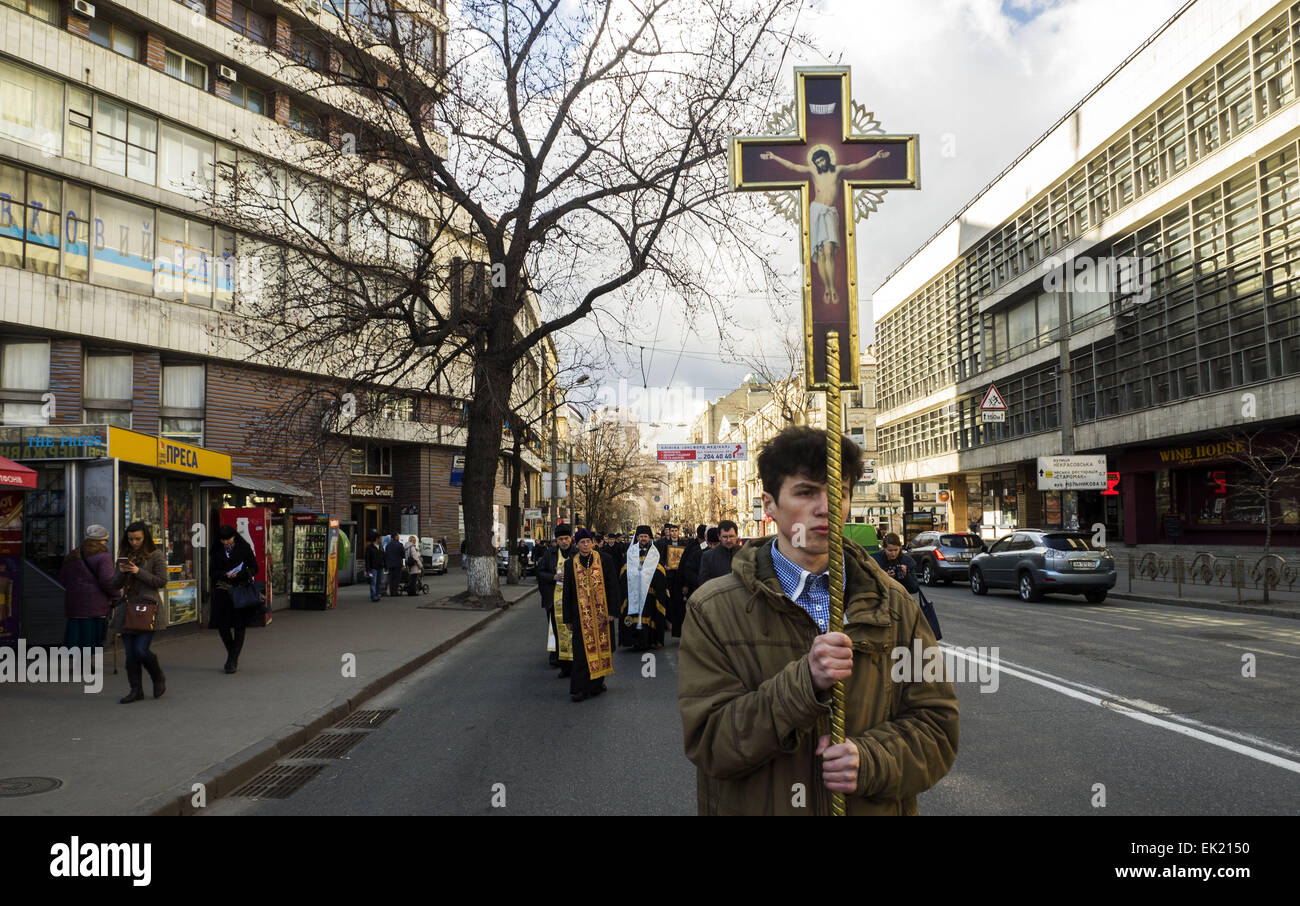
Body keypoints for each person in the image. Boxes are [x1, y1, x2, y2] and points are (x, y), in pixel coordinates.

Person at [678, 426, 958, 815]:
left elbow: (937, 728)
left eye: (837, 493)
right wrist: (803, 683)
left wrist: (871, 761)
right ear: (770, 505)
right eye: (807, 492)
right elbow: (712, 744)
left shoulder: (894, 606)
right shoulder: (713, 610)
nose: (825, 507)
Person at [759, 145, 890, 306]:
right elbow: (793, 166)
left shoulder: (838, 170)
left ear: (827, 159)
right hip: (816, 210)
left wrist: (876, 157)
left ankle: (832, 287)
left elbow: (857, 166)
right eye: (817, 162)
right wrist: (774, 157)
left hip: (829, 212)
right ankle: (827, 288)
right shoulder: (814, 172)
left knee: (829, 251)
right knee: (820, 253)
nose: (820, 164)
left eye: (822, 160)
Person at [110, 522, 169, 703]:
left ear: (145, 538)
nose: (134, 542)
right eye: (131, 539)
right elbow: (115, 584)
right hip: (127, 610)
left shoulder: (156, 556)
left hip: (146, 609)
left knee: (141, 651)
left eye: (138, 539)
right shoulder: (125, 556)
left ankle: (157, 676)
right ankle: (136, 690)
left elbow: (161, 581)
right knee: (130, 656)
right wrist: (121, 572)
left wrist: (138, 571)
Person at [561, 529, 621, 702]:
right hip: (580, 615)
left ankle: (597, 683)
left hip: (602, 615)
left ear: (593, 542)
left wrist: (613, 611)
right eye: (582, 542)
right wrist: (568, 619)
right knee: (580, 653)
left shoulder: (604, 560)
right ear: (576, 544)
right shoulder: (570, 564)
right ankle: (579, 688)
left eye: (588, 541)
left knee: (601, 650)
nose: (585, 545)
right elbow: (568, 593)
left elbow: (612, 586)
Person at [61, 524, 119, 655]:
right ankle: (89, 664)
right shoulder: (103, 557)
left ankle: (78, 663)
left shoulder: (73, 554)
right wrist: (117, 594)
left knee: (77, 636)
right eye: (105, 540)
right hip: (95, 604)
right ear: (102, 541)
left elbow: (63, 578)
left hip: (74, 604)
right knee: (92, 637)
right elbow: (107, 581)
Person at [209, 525, 260, 674]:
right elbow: (212, 572)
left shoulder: (244, 548)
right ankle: (232, 653)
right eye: (223, 540)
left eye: (228, 539)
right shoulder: (216, 550)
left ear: (234, 537)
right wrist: (225, 574)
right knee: (222, 626)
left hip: (240, 590)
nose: (226, 542)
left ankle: (232, 660)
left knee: (239, 626)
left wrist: (241, 573)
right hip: (222, 591)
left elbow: (254, 567)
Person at [620, 525, 668, 651]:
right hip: (634, 590)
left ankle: (649, 641)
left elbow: (660, 568)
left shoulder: (654, 552)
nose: (643, 539)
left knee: (649, 614)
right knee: (634, 615)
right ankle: (635, 641)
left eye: (645, 536)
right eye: (641, 536)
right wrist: (636, 573)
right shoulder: (631, 552)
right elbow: (625, 569)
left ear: (649, 538)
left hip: (649, 591)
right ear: (637, 538)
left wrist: (648, 573)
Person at [535, 525, 574, 674]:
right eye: (560, 539)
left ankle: (574, 661)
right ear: (556, 540)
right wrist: (554, 577)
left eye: (566, 538)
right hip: (554, 602)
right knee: (557, 632)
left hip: (572, 601)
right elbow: (540, 573)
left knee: (572, 632)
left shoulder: (576, 553)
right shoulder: (549, 554)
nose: (563, 542)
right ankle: (561, 662)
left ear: (571, 539)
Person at [656, 523, 689, 637]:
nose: (674, 533)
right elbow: (659, 558)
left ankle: (683, 629)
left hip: (680, 577)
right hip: (669, 576)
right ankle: (671, 625)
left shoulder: (684, 543)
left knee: (681, 604)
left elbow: (686, 558)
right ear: (669, 532)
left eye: (676, 530)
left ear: (679, 532)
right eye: (672, 531)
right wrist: (665, 565)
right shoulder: (665, 544)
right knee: (671, 602)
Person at [698, 519, 740, 585]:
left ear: (736, 535)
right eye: (725, 537)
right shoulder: (708, 557)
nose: (728, 540)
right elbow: (703, 582)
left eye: (731, 536)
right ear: (719, 537)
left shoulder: (746, 554)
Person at [364, 529, 385, 601]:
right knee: (373, 582)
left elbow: (383, 557)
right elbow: (367, 559)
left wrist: (384, 565)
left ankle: (377, 594)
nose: (382, 540)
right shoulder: (369, 548)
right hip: (373, 568)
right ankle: (373, 596)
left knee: (379, 582)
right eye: (381, 539)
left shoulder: (381, 547)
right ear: (377, 539)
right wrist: (368, 570)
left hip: (380, 568)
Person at [384, 531, 405, 596]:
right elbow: (403, 555)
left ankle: (391, 592)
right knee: (396, 579)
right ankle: (395, 592)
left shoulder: (388, 545)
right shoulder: (400, 545)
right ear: (395, 537)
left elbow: (386, 555)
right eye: (398, 536)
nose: (399, 537)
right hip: (397, 564)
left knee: (391, 578)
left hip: (390, 564)